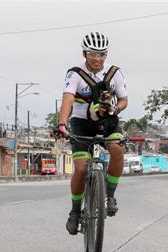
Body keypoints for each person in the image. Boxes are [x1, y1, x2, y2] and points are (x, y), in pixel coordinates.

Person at [55, 32, 128, 235]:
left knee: (117, 149)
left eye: (102, 54)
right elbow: (68, 99)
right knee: (79, 168)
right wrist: (62, 124)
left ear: (106, 55)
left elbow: (124, 99)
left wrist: (116, 109)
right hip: (81, 123)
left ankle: (110, 196)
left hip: (108, 121)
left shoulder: (115, 74)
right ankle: (75, 211)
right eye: (93, 54)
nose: (97, 59)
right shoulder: (75, 74)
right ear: (84, 54)